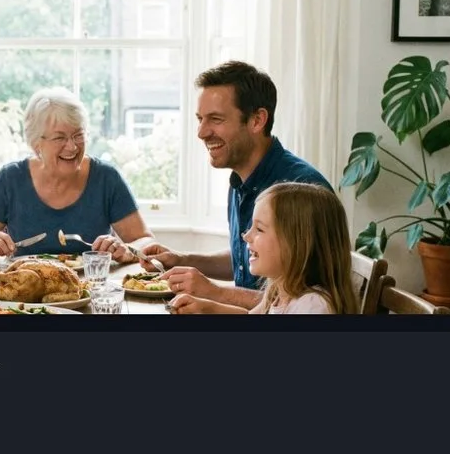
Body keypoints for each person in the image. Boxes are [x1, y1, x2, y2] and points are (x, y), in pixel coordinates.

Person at [102, 60, 329, 313]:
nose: (201, 132)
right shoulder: (240, 178)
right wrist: (182, 259)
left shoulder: (300, 192)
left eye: (216, 119)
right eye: (200, 119)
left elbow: (301, 302)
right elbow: (242, 261)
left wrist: (214, 292)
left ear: (257, 120)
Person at [0, 88, 157, 264]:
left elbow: (146, 241)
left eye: (78, 135)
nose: (72, 147)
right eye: (59, 137)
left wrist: (128, 250)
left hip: (92, 290)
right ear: (36, 143)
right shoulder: (11, 179)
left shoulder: (106, 178)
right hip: (26, 294)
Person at [167, 182, 356, 315]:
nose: (246, 236)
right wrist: (206, 308)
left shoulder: (312, 307)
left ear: (296, 243)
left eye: (259, 229)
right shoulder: (280, 290)